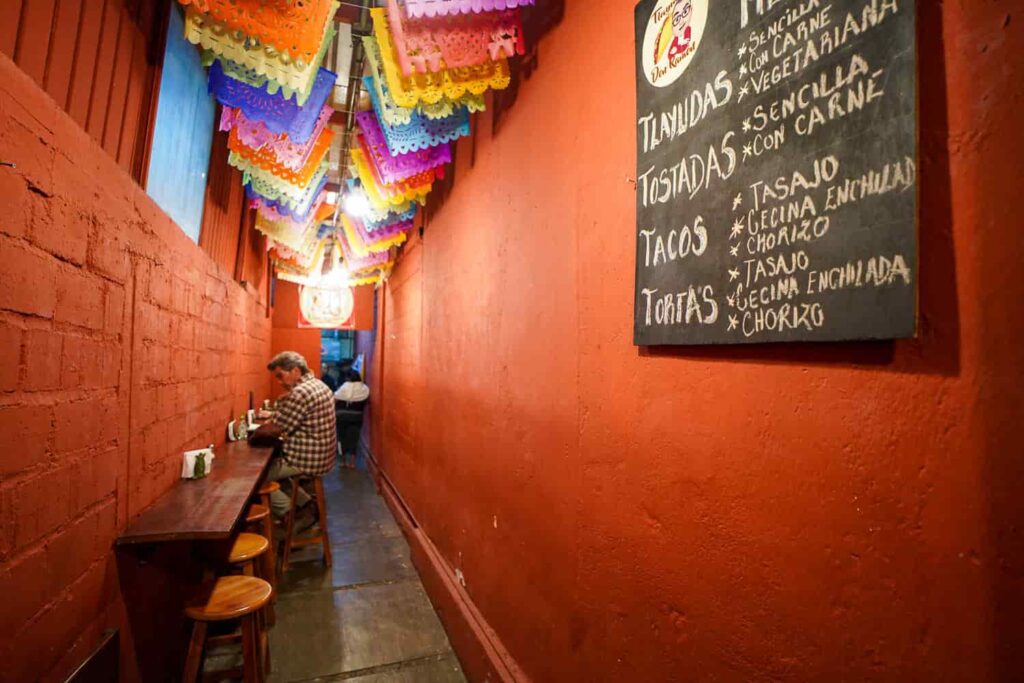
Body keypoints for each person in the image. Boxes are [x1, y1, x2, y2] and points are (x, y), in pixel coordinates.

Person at [263, 351, 337, 519]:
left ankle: (292, 514)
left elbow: (279, 429)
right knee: (276, 473)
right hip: (323, 458)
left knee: (256, 478)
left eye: (280, 376)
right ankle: (307, 505)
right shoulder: (319, 384)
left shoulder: (301, 392)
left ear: (295, 371)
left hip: (306, 460)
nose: (280, 382)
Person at [335, 368, 369, 469]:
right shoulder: (364, 388)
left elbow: (335, 399)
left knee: (341, 439)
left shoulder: (344, 387)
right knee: (354, 440)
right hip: (356, 418)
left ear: (348, 378)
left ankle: (343, 462)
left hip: (341, 417)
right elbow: (366, 400)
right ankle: (352, 463)